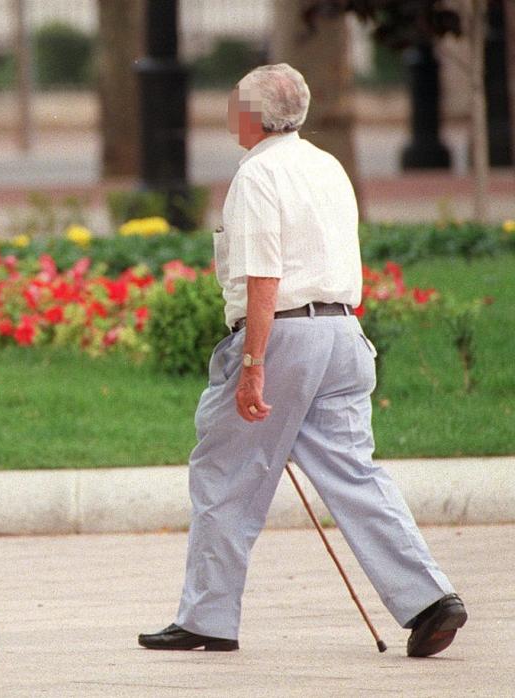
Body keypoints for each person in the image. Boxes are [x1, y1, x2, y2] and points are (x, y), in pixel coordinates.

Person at [138, 64, 466, 658]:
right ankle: (430, 598)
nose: (228, 117)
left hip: (282, 337)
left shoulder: (258, 175)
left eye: (235, 107)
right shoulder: (327, 165)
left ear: (253, 117)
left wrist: (254, 366)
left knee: (225, 474)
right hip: (343, 335)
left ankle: (208, 617)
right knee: (355, 475)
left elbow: (265, 274)